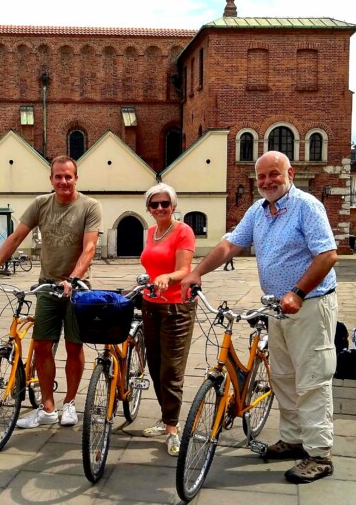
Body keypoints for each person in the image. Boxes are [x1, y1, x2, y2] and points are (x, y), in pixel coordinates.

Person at [181, 151, 338, 484]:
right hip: (276, 308)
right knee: (282, 376)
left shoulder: (307, 206)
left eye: (274, 174)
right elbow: (229, 245)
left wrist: (297, 291)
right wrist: (197, 272)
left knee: (311, 378)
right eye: (262, 176)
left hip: (309, 305)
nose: (267, 181)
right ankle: (294, 440)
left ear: (290, 173)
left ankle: (319, 454)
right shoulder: (259, 210)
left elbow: (327, 255)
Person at [0, 155, 102, 428]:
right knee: (43, 346)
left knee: (74, 346)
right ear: (51, 179)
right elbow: (16, 237)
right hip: (47, 285)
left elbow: (90, 248)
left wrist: (74, 277)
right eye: (58, 176)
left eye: (68, 176)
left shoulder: (89, 206)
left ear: (76, 178)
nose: (63, 181)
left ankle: (69, 403)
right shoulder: (41, 204)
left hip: (78, 288)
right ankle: (47, 407)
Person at [139, 183, 196, 455]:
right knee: (154, 365)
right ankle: (165, 418)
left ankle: (172, 428)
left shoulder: (183, 231)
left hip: (176, 307)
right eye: (154, 204)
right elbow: (151, 264)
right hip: (150, 305)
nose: (160, 208)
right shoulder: (151, 232)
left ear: (173, 206)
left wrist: (167, 277)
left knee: (171, 371)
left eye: (165, 203)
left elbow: (184, 269)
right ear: (148, 209)